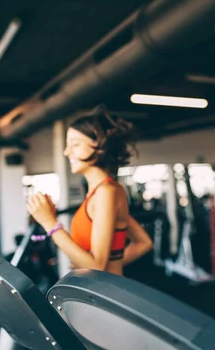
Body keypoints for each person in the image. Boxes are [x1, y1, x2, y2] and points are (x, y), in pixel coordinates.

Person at [27, 105, 153, 276]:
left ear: (99, 146)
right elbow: (143, 242)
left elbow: (97, 267)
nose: (66, 152)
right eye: (67, 145)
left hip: (105, 294)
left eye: (75, 144)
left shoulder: (106, 192)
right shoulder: (102, 192)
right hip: (99, 288)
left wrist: (50, 223)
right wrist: (108, 264)